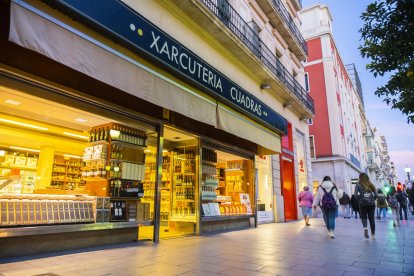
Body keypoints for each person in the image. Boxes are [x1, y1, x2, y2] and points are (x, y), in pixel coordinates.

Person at [354, 173, 377, 240]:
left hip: (362, 204)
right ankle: (373, 235)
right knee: (372, 219)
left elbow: (355, 194)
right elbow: (376, 194)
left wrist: (360, 200)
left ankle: (365, 228)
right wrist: (373, 199)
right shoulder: (371, 184)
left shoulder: (358, 184)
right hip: (371, 204)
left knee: (363, 217)